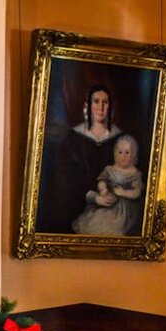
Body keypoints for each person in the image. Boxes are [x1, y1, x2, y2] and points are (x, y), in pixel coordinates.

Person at [38, 84, 122, 232]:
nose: (100, 107)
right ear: (87, 105)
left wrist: (112, 195)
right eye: (96, 101)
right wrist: (93, 197)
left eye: (105, 102)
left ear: (110, 106)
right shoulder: (72, 138)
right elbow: (64, 177)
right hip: (77, 205)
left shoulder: (120, 138)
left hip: (113, 207)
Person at [71, 134, 144, 236]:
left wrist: (123, 192)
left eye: (127, 152)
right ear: (115, 153)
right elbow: (102, 180)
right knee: (98, 219)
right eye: (120, 152)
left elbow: (136, 192)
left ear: (133, 154)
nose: (123, 156)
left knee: (115, 226)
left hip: (124, 210)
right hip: (108, 202)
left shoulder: (135, 173)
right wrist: (103, 189)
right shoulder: (110, 169)